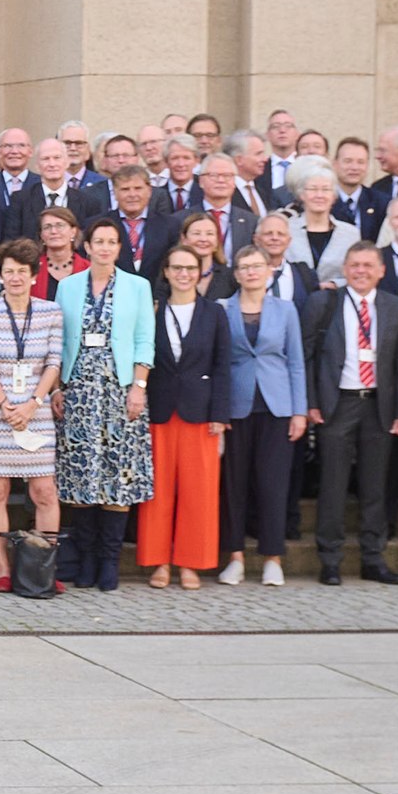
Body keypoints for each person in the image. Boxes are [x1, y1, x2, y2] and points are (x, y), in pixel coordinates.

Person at [52, 216, 154, 590]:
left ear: (119, 248)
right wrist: (56, 388)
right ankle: (86, 558)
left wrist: (139, 386)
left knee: (117, 473)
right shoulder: (68, 286)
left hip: (120, 391)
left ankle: (110, 561)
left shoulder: (137, 286)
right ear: (87, 246)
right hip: (79, 392)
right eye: (99, 241)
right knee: (81, 474)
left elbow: (144, 339)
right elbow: (58, 341)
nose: (106, 248)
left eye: (112, 242)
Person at [306, 243, 398, 587]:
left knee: (375, 486)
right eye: (354, 265)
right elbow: (308, 356)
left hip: (379, 405)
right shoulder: (324, 303)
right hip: (337, 404)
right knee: (333, 484)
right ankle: (330, 560)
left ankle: (373, 558)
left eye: (368, 265)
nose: (361, 271)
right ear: (345, 268)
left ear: (382, 271)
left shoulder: (396, 307)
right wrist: (311, 402)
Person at [0, 239, 62, 590]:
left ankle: (43, 570)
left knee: (44, 491)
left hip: (36, 410)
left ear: (34, 275)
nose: (15, 278)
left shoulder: (50, 312)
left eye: (22, 271)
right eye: (8, 271)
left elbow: (53, 363)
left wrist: (33, 404)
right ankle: (4, 570)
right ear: (0, 275)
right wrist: (5, 404)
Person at [216, 242, 309, 587]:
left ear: (269, 271)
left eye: (257, 266)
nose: (251, 272)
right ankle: (235, 558)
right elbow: (218, 363)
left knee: (273, 485)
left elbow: (296, 362)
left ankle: (273, 558)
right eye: (245, 267)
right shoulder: (222, 308)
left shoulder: (286, 310)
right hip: (235, 408)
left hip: (277, 407)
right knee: (234, 486)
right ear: (236, 274)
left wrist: (299, 411)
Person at [139, 245, 229, 590]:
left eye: (190, 268)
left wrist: (220, 413)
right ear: (166, 271)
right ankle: (159, 561)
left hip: (200, 412)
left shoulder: (214, 313)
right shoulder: (152, 310)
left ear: (200, 271)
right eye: (177, 267)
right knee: (158, 492)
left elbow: (222, 366)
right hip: (159, 411)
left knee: (199, 492)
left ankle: (191, 563)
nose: (183, 274)